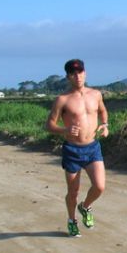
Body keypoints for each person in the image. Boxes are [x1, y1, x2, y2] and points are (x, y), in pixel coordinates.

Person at [46, 59, 109, 237]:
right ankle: (72, 220)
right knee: (73, 192)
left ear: (85, 73)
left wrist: (105, 125)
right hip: (72, 150)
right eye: (73, 73)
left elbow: (103, 111)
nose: (78, 76)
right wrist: (64, 130)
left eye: (80, 72)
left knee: (99, 186)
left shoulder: (96, 94)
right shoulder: (62, 100)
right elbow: (49, 125)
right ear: (68, 77)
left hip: (92, 148)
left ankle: (85, 207)